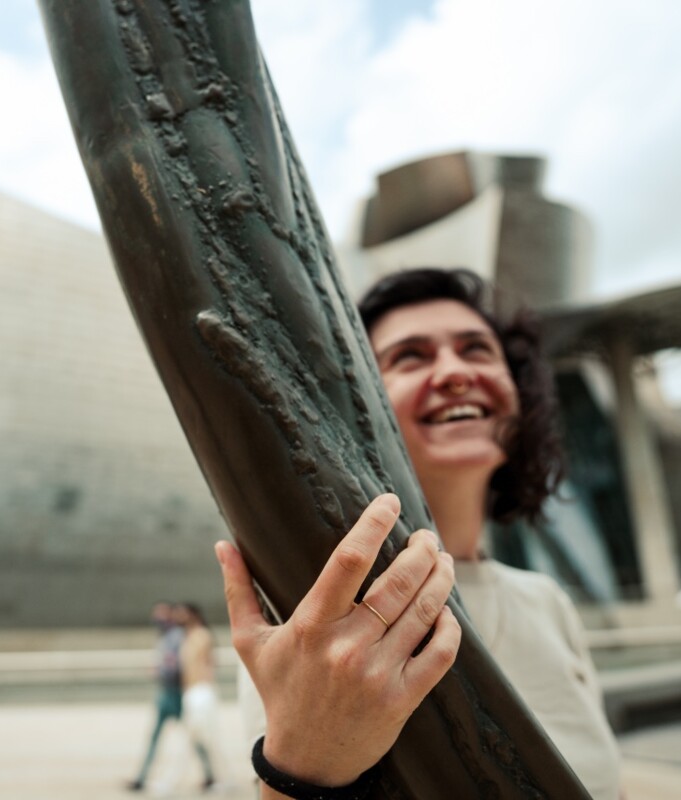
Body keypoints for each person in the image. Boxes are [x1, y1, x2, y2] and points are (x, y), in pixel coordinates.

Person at [215, 268, 623, 799]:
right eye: (411, 356)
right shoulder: (316, 613)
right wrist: (301, 764)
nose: (455, 373)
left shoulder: (547, 603)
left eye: (477, 350)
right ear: (358, 404)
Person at [126, 601, 186, 792]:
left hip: (176, 693)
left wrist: (159, 671)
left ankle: (210, 774)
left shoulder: (176, 636)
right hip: (166, 692)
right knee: (155, 736)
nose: (158, 619)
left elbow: (175, 665)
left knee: (193, 735)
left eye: (161, 615)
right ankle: (141, 776)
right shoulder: (165, 637)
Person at [177, 602, 223, 792]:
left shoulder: (202, 635)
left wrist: (203, 687)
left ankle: (214, 775)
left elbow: (208, 663)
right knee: (196, 736)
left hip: (201, 690)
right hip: (191, 690)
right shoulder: (186, 637)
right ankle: (209, 774)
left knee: (205, 735)